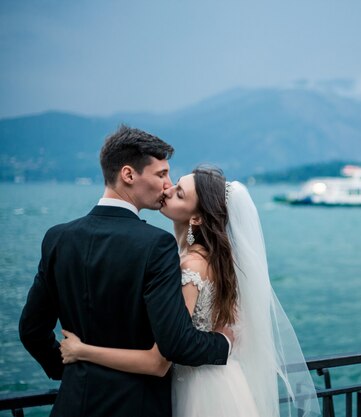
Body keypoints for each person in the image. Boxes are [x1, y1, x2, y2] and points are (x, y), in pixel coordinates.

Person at [59, 167, 320, 417]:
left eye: (179, 193)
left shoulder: (191, 266)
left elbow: (158, 361)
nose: (168, 190)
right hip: (223, 381)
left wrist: (81, 351)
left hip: (199, 391)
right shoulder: (214, 261)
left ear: (196, 218)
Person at [19, 126, 232, 417]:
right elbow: (176, 344)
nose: (167, 185)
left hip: (72, 403)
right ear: (129, 175)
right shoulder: (155, 245)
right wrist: (224, 343)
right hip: (137, 406)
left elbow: (31, 330)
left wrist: (69, 369)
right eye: (161, 174)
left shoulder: (57, 238)